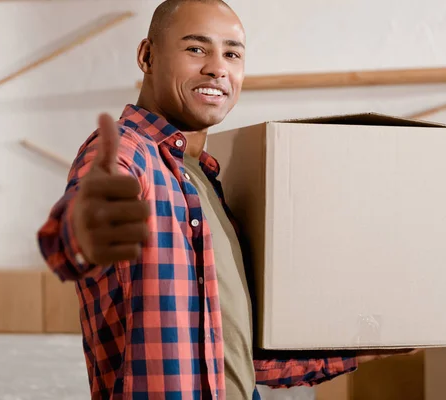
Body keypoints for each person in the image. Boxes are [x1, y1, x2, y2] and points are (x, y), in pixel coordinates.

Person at [37, 0, 392, 398]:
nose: (217, 67)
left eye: (232, 53)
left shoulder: (204, 180)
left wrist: (363, 349)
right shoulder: (125, 152)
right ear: (147, 56)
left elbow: (232, 353)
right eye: (196, 49)